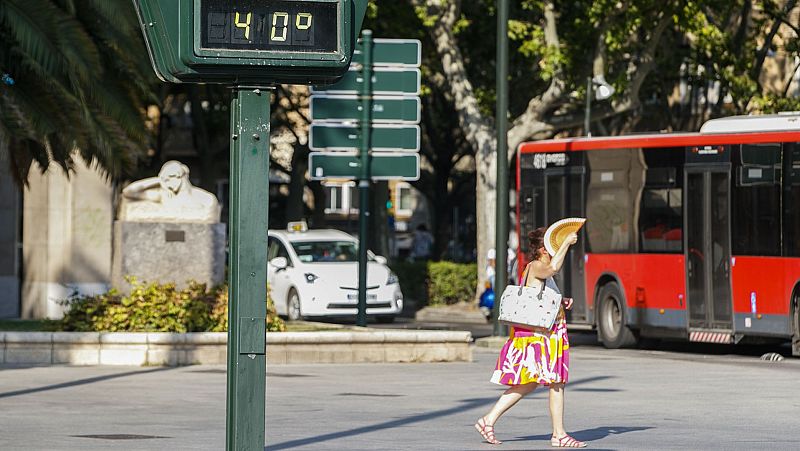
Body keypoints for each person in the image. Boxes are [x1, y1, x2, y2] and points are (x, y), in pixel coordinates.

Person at [474, 226, 586, 448]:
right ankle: (558, 434)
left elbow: (538, 297)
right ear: (544, 249)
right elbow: (553, 268)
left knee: (532, 384)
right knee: (553, 383)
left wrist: (560, 302)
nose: (555, 250)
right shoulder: (536, 266)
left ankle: (488, 420)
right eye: (552, 246)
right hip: (541, 337)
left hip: (546, 334)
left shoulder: (535, 268)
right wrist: (566, 243)